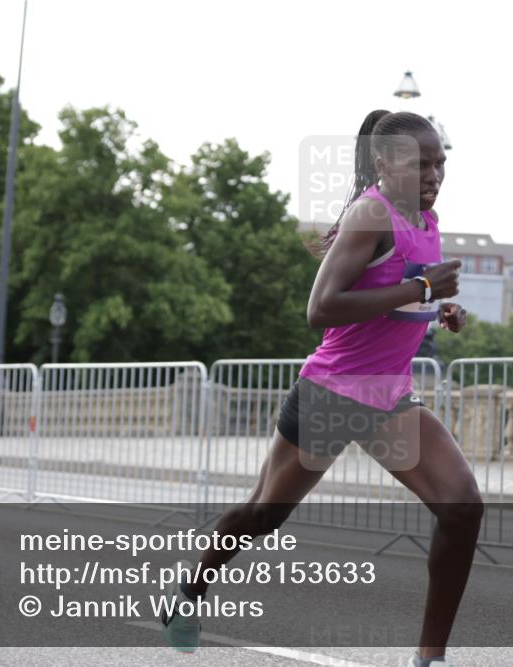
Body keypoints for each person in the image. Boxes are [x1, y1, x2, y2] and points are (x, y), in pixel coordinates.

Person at [160, 110, 483, 667]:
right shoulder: (369, 215)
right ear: (383, 165)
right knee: (264, 514)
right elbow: (322, 308)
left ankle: (430, 659)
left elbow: (397, 297)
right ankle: (189, 589)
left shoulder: (427, 222)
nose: (433, 175)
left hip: (389, 398)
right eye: (418, 165)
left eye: (439, 163)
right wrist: (423, 285)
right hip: (332, 394)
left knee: (463, 508)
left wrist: (436, 308)